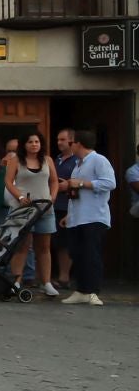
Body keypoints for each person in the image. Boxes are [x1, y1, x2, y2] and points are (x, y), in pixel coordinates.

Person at [58, 129, 115, 306]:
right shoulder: (78, 165)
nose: (69, 146)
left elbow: (110, 183)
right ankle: (81, 289)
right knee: (77, 253)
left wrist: (82, 183)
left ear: (78, 144)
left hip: (94, 217)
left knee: (91, 254)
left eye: (71, 143)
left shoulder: (99, 160)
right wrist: (69, 213)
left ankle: (93, 291)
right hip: (78, 217)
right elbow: (75, 191)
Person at [5, 129, 59, 297]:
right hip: (23, 209)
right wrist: (19, 196)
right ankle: (17, 281)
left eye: (36, 142)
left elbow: (54, 181)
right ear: (24, 145)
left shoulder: (48, 160)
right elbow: (8, 181)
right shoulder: (16, 161)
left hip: (45, 208)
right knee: (22, 246)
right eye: (30, 142)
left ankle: (46, 282)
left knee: (44, 247)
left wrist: (52, 198)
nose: (34, 145)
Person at [50, 127, 77, 289]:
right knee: (58, 243)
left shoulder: (78, 161)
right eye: (58, 139)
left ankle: (65, 277)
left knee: (68, 243)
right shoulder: (56, 159)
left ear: (72, 141)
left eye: (62, 140)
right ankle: (61, 276)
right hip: (54, 206)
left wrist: (65, 186)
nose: (59, 143)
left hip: (70, 206)